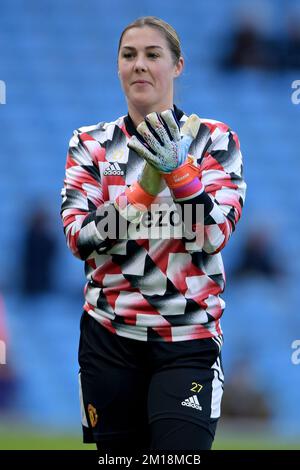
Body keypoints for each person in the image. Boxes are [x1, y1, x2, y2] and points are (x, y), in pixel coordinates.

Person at [61, 16, 246, 452]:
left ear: (178, 65)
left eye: (152, 55)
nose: (139, 65)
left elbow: (213, 234)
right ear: (118, 67)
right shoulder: (90, 143)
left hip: (187, 340)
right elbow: (80, 239)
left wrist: (179, 173)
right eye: (129, 56)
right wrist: (144, 190)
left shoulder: (213, 140)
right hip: (109, 340)